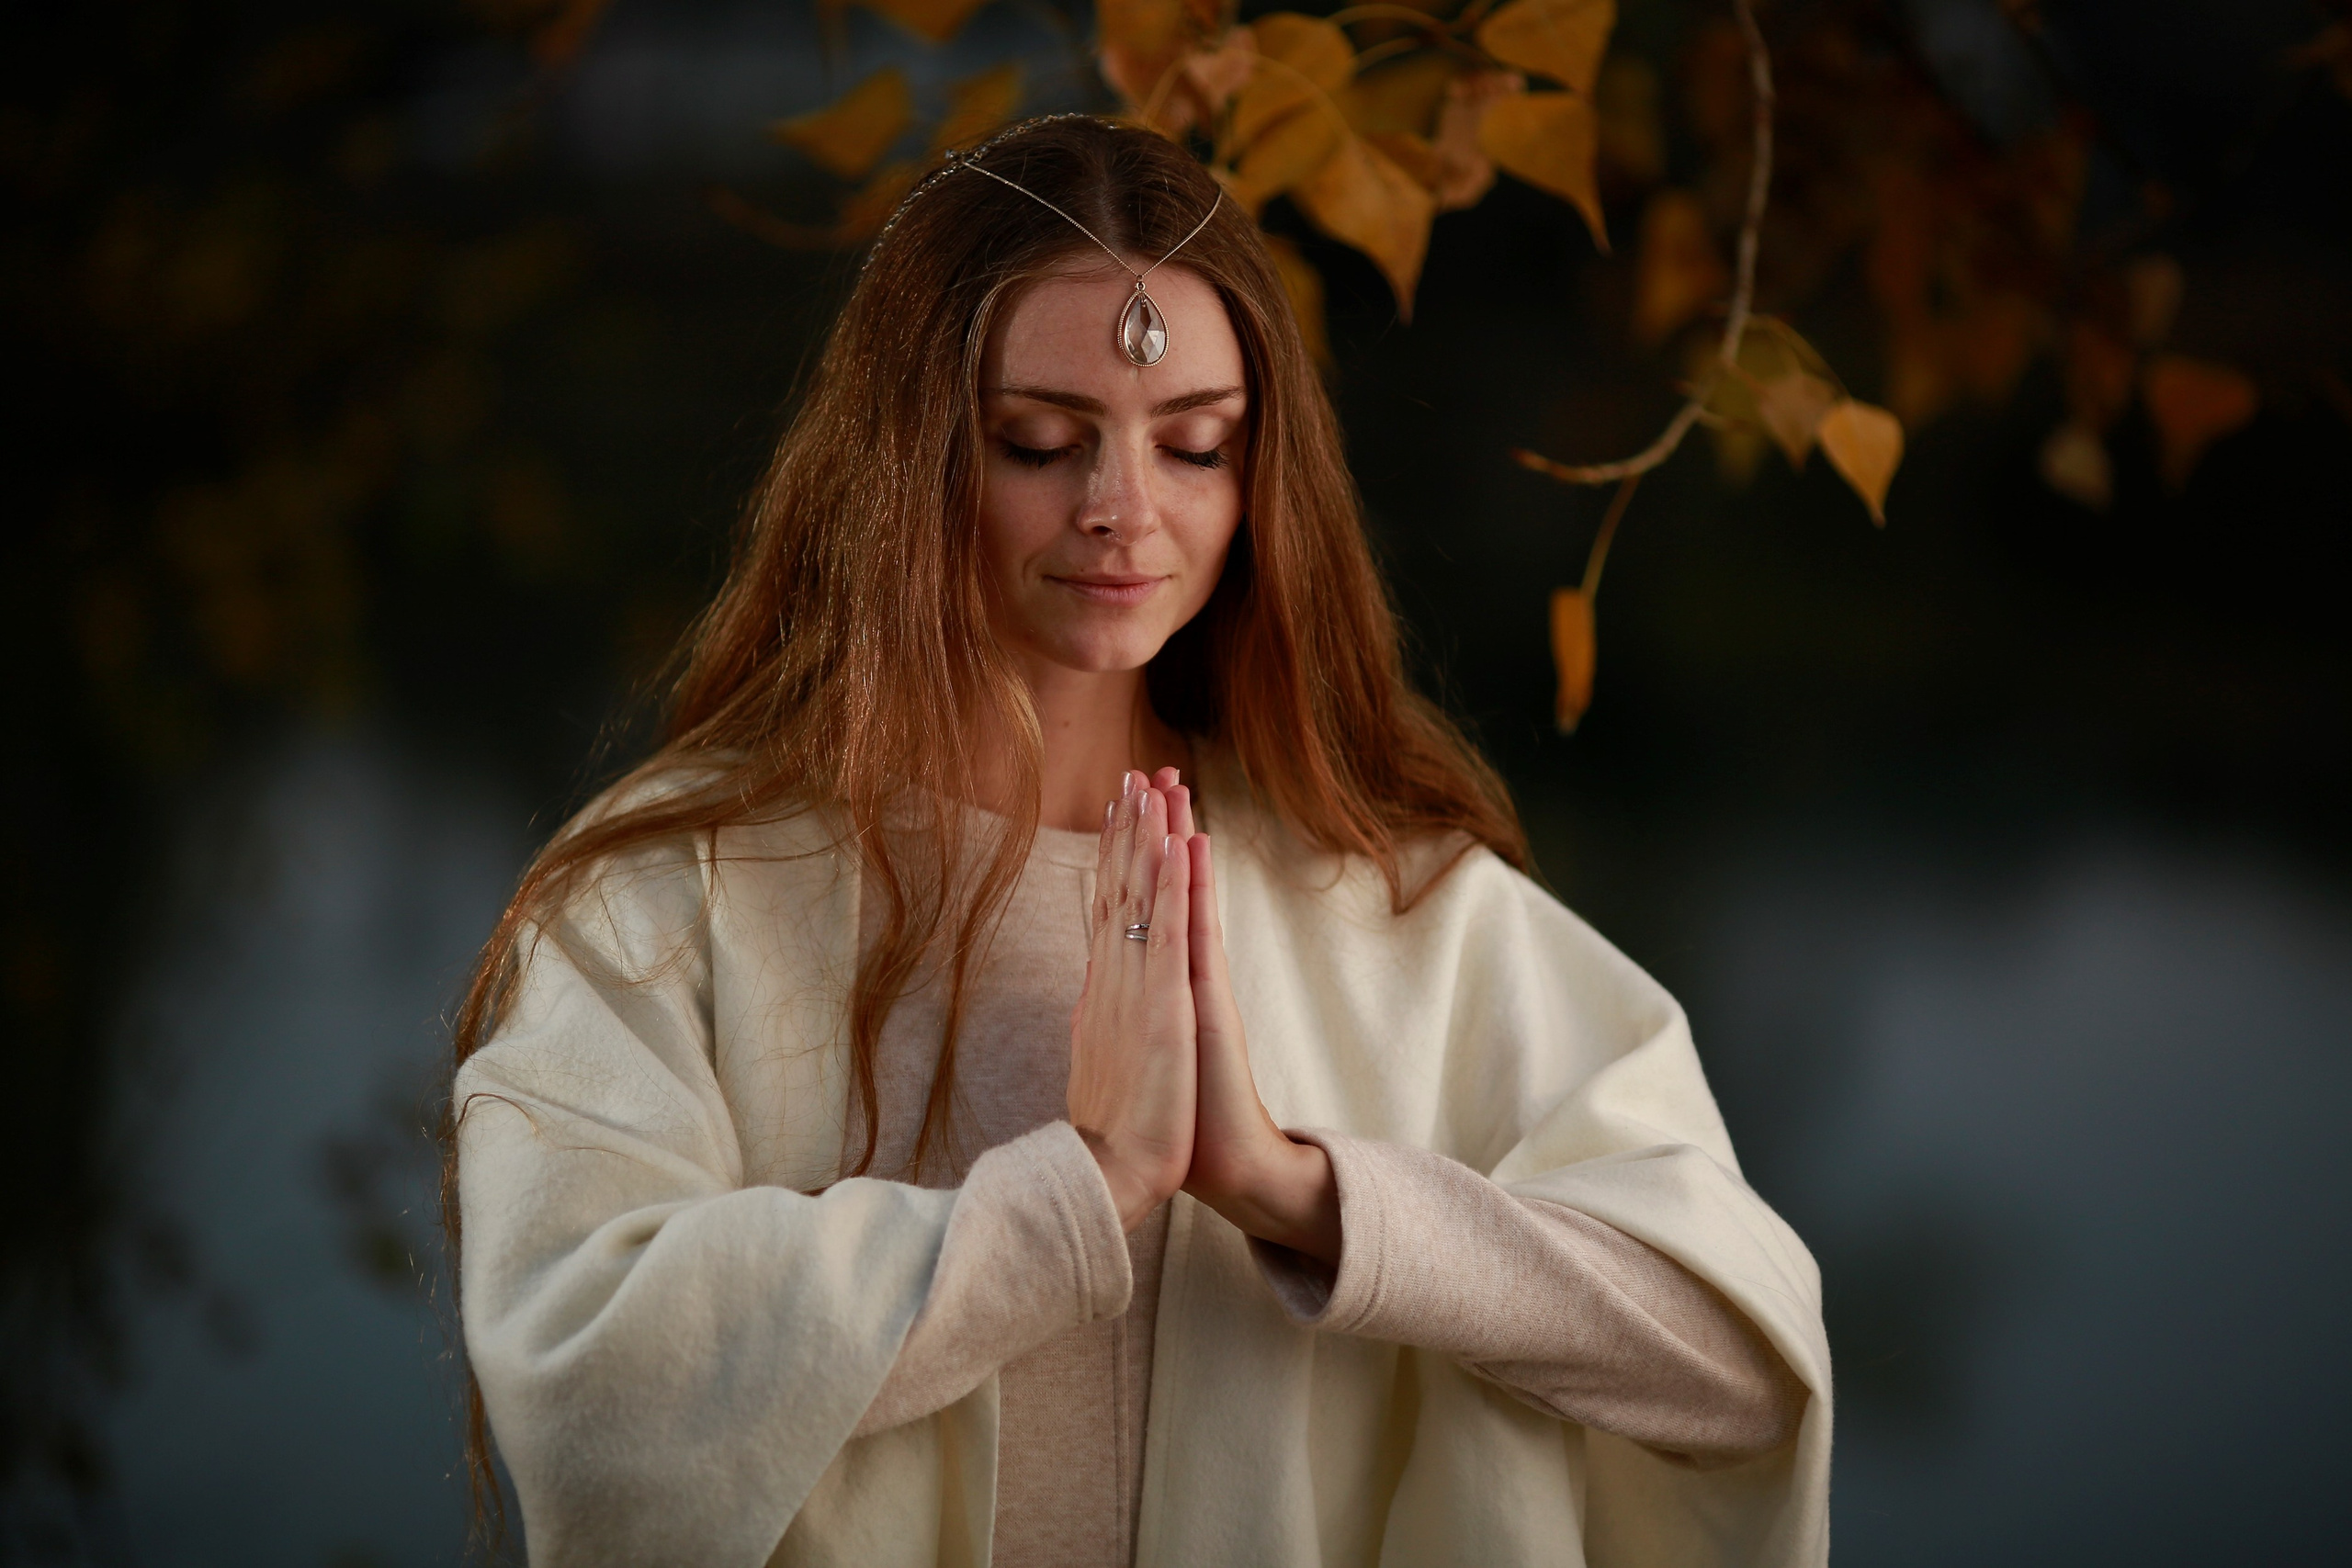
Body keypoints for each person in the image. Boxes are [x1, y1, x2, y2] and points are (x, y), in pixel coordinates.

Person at [446, 115, 1830, 1568]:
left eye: (1196, 446)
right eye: (1040, 443)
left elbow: (1745, 1362)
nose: (1125, 513)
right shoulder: (669, 902)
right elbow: (589, 1395)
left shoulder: (1393, 897)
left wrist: (1296, 1192)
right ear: (904, 459)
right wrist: (1078, 1194)